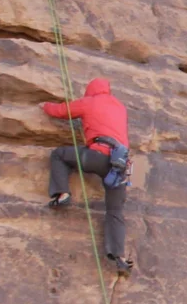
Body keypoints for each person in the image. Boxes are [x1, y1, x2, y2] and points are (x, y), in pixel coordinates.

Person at [42, 76, 134, 274]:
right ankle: (120, 258)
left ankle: (62, 193)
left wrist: (45, 106)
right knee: (115, 210)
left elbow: (61, 111)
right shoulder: (120, 107)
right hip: (119, 164)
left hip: (96, 156)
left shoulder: (90, 101)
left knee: (59, 155)